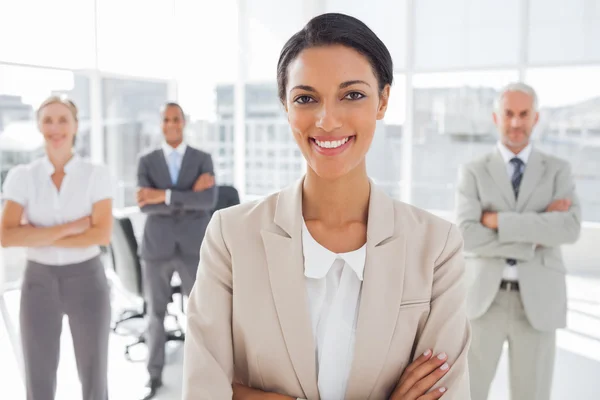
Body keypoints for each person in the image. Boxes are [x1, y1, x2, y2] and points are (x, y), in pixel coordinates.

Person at [183, 13, 471, 400]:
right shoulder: (231, 236)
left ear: (383, 100)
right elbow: (203, 392)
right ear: (286, 107)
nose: (327, 120)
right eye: (305, 98)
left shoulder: (436, 245)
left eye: (352, 94)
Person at [456, 82, 582, 400]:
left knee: (533, 394)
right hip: (484, 300)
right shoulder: (473, 171)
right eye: (508, 113)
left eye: (523, 114)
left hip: (539, 301)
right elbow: (467, 235)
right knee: (469, 391)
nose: (515, 122)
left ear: (535, 118)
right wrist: (535, 236)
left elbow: (568, 228)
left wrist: (498, 222)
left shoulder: (558, 171)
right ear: (496, 118)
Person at [1, 96, 113, 400]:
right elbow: (7, 236)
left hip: (88, 280)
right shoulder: (22, 176)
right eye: (48, 120)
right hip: (39, 282)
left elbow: (101, 234)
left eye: (63, 119)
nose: (55, 127)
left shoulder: (96, 175)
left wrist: (36, 234)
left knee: (94, 379)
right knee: (38, 380)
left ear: (76, 125)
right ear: (39, 126)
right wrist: (70, 227)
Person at [136, 102, 217, 399]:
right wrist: (185, 195)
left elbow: (206, 202)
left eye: (176, 119)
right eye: (166, 119)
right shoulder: (146, 161)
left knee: (200, 314)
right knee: (155, 315)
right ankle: (153, 375)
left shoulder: (202, 159)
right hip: (157, 248)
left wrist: (164, 195)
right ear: (161, 124)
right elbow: (145, 204)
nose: (171, 124)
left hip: (193, 248)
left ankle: (205, 376)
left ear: (184, 122)